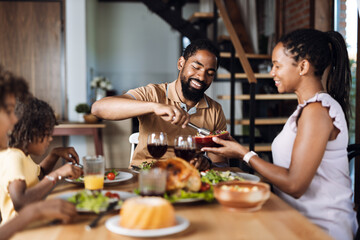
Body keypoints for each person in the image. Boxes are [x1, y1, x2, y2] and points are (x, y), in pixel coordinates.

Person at [202, 29, 358, 240]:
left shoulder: (318, 111)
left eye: (277, 65)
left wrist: (244, 154)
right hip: (296, 220)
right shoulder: (306, 109)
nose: (272, 73)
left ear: (303, 67)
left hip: (322, 230)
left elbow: (295, 185)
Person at [92, 39, 227, 170]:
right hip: (145, 175)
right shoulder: (152, 93)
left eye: (209, 73)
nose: (202, 77)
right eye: (196, 67)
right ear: (181, 63)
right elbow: (98, 108)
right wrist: (154, 107)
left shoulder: (215, 110)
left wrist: (207, 163)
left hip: (185, 178)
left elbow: (221, 163)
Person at [0, 67, 77, 239]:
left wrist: (54, 154)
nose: (13, 120)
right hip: (22, 233)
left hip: (32, 226)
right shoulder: (13, 157)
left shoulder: (22, 156)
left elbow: (38, 175)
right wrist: (57, 174)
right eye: (8, 111)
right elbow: (20, 203)